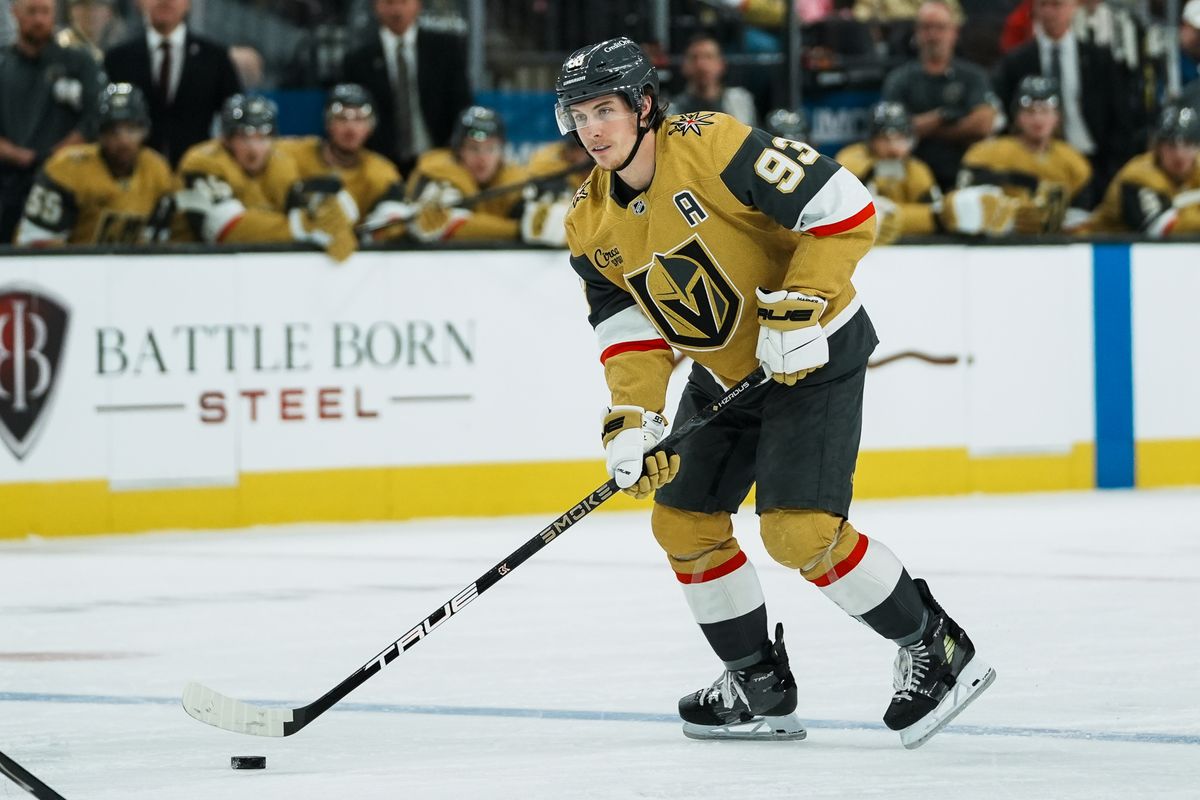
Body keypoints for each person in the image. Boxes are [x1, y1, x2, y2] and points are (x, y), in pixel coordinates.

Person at [555, 36, 995, 748]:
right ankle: (757, 683)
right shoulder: (587, 221)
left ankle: (936, 647)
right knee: (683, 524)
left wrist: (800, 305)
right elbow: (629, 329)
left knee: (799, 532)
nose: (592, 130)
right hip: (727, 373)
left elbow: (845, 207)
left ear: (644, 104)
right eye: (578, 116)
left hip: (816, 353)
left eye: (604, 110)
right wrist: (634, 417)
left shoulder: (713, 143)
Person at [173, 93, 357, 261]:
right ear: (226, 139)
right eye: (244, 137)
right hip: (182, 265)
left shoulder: (279, 163)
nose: (254, 149)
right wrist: (301, 227)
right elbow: (222, 227)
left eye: (262, 137)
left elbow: (305, 207)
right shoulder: (201, 163)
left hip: (251, 266)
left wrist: (330, 218)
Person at [993, 0, 1134, 204]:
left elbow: (1121, 118)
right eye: (1043, 5)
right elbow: (1006, 115)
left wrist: (1111, 170)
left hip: (1093, 162)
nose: (1050, 12)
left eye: (1057, 5)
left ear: (1074, 7)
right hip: (1034, 164)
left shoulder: (1100, 59)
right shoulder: (1015, 62)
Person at [14, 83, 176, 245]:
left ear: (145, 131)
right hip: (71, 260)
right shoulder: (67, 168)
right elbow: (36, 241)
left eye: (132, 129)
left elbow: (158, 243)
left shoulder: (157, 170)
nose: (124, 141)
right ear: (99, 134)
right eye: (113, 131)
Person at [836, 101, 1018, 242]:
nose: (893, 148)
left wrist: (939, 215)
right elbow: (852, 213)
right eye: (885, 139)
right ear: (871, 139)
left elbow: (935, 212)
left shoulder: (917, 169)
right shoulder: (852, 159)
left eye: (900, 138)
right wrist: (930, 218)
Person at [0, 0, 103, 243]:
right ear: (15, 13)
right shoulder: (4, 64)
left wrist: (55, 155)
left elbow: (95, 116)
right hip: (7, 181)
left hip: (66, 180)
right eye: (31, 11)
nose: (39, 19)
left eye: (45, 11)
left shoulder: (79, 61)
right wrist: (16, 154)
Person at [341, 0, 473, 174]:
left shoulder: (446, 49)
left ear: (418, 4)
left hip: (439, 161)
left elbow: (462, 106)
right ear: (376, 6)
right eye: (389, 2)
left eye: (404, 2)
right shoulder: (358, 60)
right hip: (379, 167)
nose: (397, 10)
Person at [104, 0, 242, 166]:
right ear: (138, 2)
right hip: (130, 172)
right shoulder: (117, 59)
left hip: (198, 170)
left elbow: (236, 117)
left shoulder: (215, 58)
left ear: (189, 3)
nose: (165, 1)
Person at [405, 105, 566, 246]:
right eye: (473, 148)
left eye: (491, 149)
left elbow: (553, 225)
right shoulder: (441, 174)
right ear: (458, 151)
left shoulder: (514, 179)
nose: (482, 158)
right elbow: (445, 227)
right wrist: (520, 230)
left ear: (501, 152)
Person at [881, 0, 998, 191]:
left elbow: (983, 125)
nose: (933, 35)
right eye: (926, 28)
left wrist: (926, 126)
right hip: (911, 177)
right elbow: (890, 134)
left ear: (954, 32)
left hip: (965, 173)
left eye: (940, 27)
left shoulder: (973, 76)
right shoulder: (899, 79)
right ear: (916, 32)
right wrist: (943, 117)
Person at [958, 76, 1092, 233]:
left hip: (1055, 241)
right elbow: (965, 193)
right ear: (1017, 116)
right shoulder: (988, 152)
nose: (1038, 119)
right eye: (1029, 111)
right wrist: (1016, 180)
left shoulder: (1073, 160)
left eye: (1045, 111)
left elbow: (1080, 214)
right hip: (999, 238)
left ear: (1057, 117)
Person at [276, 83, 409, 241]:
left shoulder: (382, 173)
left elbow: (393, 226)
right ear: (328, 123)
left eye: (359, 119)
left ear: (371, 126)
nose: (350, 128)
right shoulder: (292, 154)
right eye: (341, 118)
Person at [1087, 105, 1200, 237]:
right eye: (1170, 146)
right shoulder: (1138, 176)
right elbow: (1159, 229)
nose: (1179, 155)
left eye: (1188, 145)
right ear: (1157, 148)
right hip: (1099, 245)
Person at [670, 33, 758, 127]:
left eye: (709, 57)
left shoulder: (740, 101)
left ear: (722, 64)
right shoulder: (673, 109)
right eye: (694, 58)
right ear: (684, 66)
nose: (701, 64)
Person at [56, 0, 125, 64]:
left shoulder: (122, 47)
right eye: (83, 4)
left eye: (98, 4)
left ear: (110, 12)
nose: (91, 12)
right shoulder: (60, 46)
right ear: (71, 11)